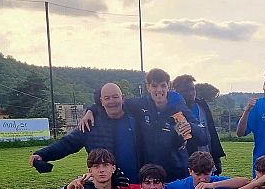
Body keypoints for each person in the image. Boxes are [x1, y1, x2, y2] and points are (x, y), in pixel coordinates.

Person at [80, 69, 209, 181]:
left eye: (163, 86)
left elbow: (204, 137)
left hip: (177, 173)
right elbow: (114, 103)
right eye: (154, 86)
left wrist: (191, 128)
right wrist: (91, 110)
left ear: (168, 86)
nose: (159, 90)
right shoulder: (140, 105)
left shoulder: (178, 107)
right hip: (150, 176)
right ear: (148, 87)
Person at [30, 82, 142, 183]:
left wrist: (91, 109)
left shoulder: (138, 119)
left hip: (139, 184)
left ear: (123, 98)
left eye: (115, 97)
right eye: (107, 98)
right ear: (101, 101)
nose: (112, 101)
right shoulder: (90, 124)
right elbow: (68, 143)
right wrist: (42, 154)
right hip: (108, 186)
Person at [172, 74, 226, 174]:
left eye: (192, 89)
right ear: (177, 92)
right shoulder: (174, 112)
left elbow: (211, 133)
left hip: (207, 158)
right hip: (187, 163)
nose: (191, 93)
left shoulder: (202, 106)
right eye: (186, 91)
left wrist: (216, 159)